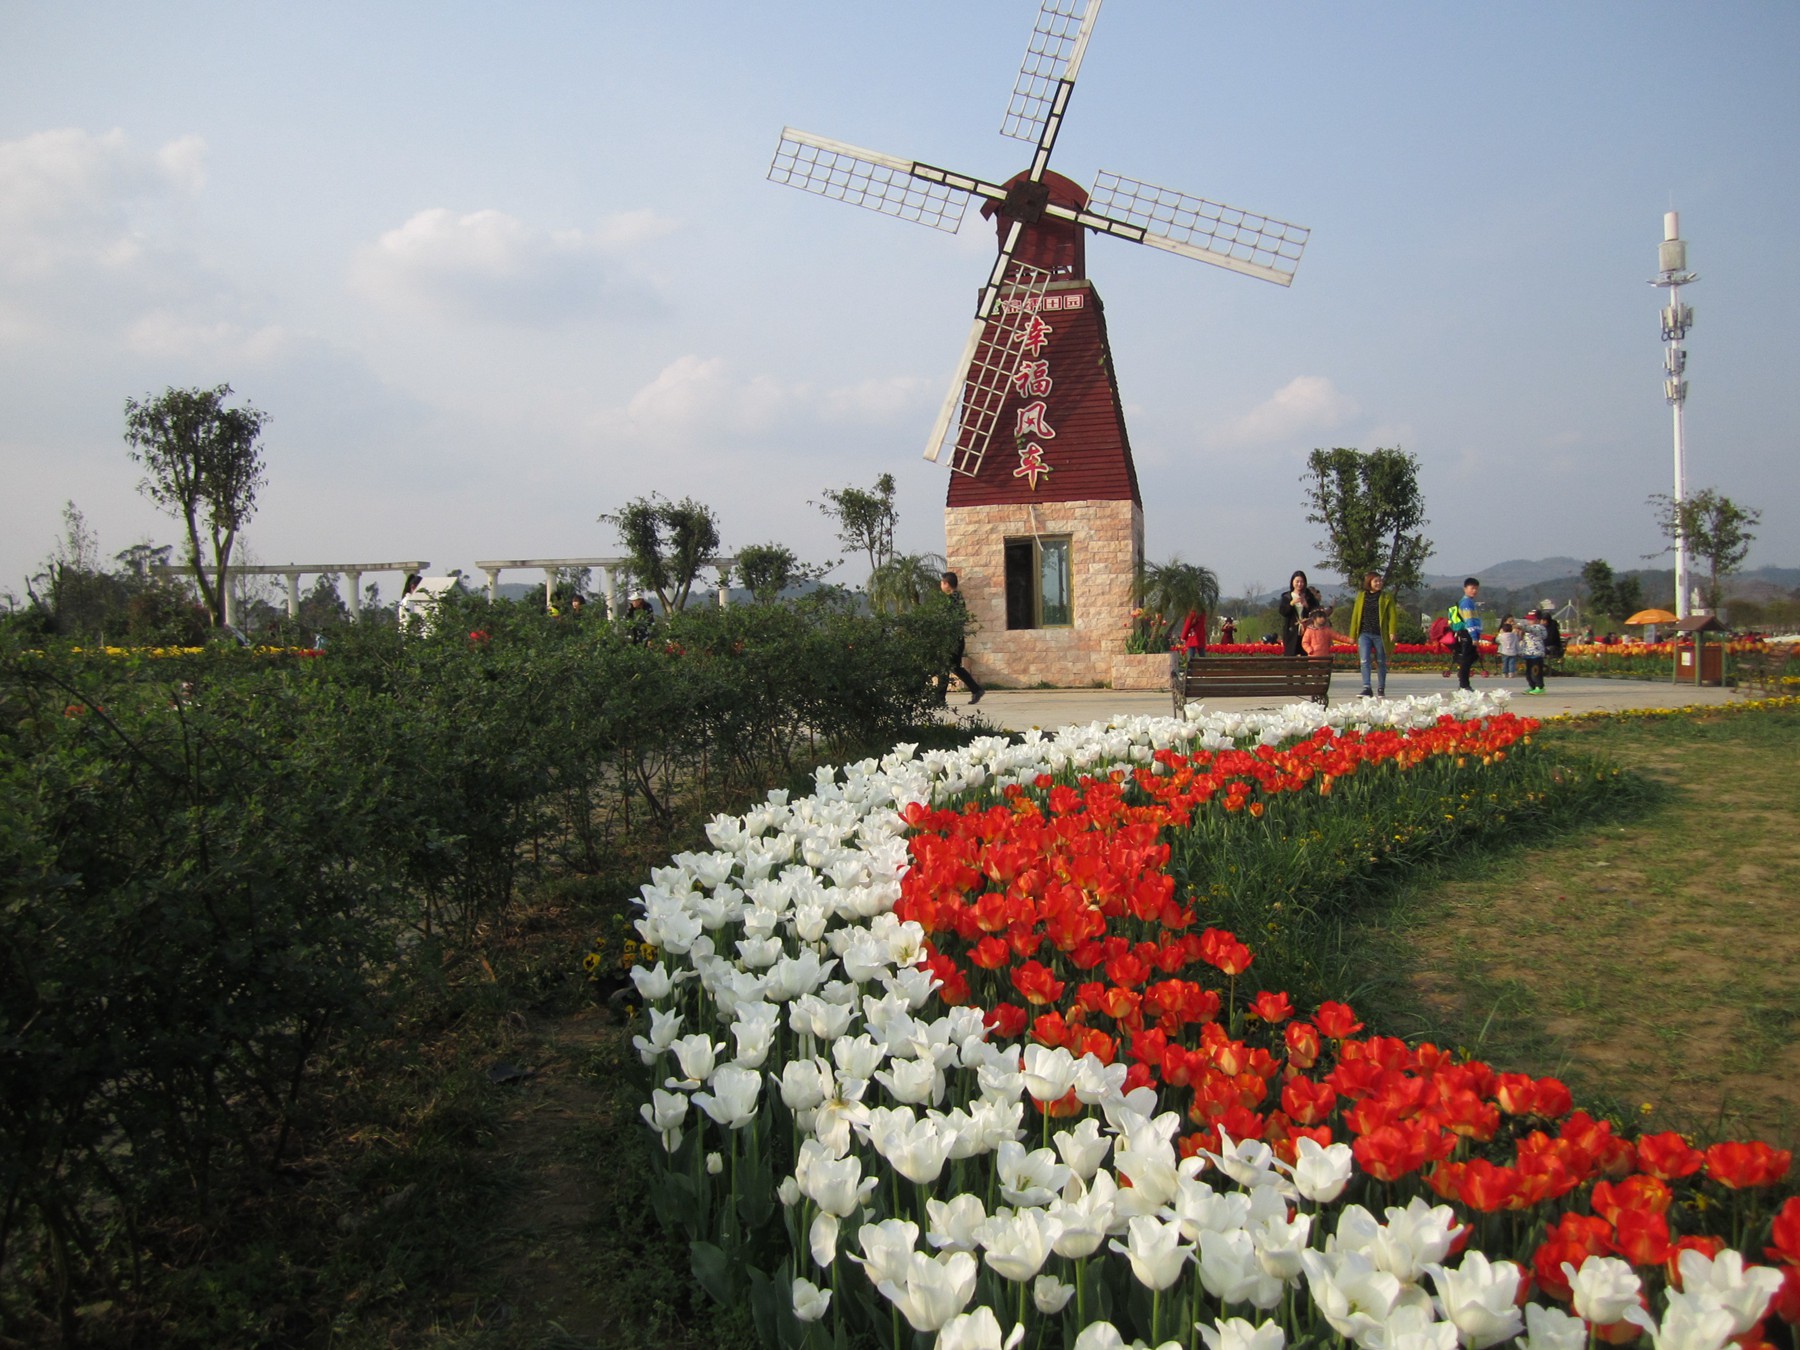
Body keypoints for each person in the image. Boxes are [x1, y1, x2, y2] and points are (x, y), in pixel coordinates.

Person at [1346, 571, 1398, 698]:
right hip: (1364, 633)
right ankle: (1367, 688)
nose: (1379, 583)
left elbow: (1392, 616)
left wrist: (1392, 631)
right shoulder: (1361, 596)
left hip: (1380, 633)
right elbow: (1355, 615)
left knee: (1381, 661)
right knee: (1364, 660)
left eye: (1380, 581)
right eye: (1376, 581)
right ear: (1369, 582)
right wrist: (1352, 634)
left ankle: (1381, 688)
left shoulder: (1386, 597)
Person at [936, 572, 983, 705]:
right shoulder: (957, 597)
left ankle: (939, 699)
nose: (941, 585)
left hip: (952, 639)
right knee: (955, 667)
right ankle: (976, 689)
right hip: (957, 638)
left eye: (942, 582)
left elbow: (947, 619)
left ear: (946, 584)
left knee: (945, 666)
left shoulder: (952, 599)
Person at [1447, 577, 1483, 691]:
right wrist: (1474, 637)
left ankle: (1463, 682)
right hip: (1467, 634)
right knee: (1467, 660)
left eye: (1476, 588)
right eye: (1472, 588)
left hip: (1468, 633)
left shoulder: (1469, 602)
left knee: (1470, 658)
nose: (1474, 591)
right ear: (1465, 589)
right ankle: (1464, 685)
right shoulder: (1466, 602)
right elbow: (1469, 620)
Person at [1277, 570, 1321, 656]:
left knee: (1306, 654)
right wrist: (1291, 604)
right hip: (1291, 630)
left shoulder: (1309, 596)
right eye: (1297, 582)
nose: (1299, 584)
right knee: (1291, 655)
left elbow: (1316, 611)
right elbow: (1283, 612)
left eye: (1302, 582)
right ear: (1292, 582)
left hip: (1307, 630)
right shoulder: (1287, 596)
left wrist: (1306, 605)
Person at [1518, 609, 1548, 694]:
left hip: (1536, 654)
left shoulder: (1539, 628)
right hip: (1528, 654)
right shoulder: (1528, 629)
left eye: (1532, 619)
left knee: (1536, 672)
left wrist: (1521, 627)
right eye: (1528, 619)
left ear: (1538, 620)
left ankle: (1540, 687)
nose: (1529, 621)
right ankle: (1532, 686)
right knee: (1528, 673)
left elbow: (1532, 630)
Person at [1539, 599, 1564, 674]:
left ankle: (1541, 669)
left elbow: (1550, 640)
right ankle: (1540, 668)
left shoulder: (1552, 628)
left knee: (1537, 651)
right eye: (1541, 620)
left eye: (1544, 620)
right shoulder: (1545, 627)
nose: (1542, 622)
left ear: (1547, 620)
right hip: (1548, 647)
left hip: (1554, 648)